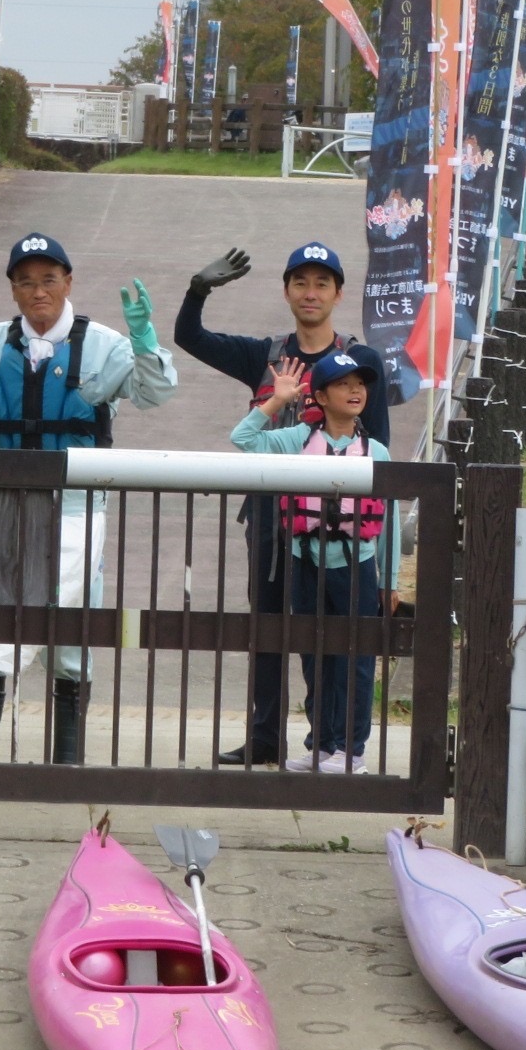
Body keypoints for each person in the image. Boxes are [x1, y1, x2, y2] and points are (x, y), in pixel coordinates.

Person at [0, 232, 178, 765]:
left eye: (49, 279)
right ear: (13, 291)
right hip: (0, 509)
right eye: (25, 282)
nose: (38, 291)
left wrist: (144, 338)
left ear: (68, 283)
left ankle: (65, 764)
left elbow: (155, 391)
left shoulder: (105, 345)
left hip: (76, 510)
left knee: (71, 635)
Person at [175, 242, 390, 767]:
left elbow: (379, 453)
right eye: (300, 283)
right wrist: (197, 290)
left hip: (338, 527)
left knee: (332, 631)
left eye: (321, 284)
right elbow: (189, 337)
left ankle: (332, 741)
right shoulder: (264, 355)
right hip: (273, 516)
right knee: (269, 624)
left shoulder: (360, 366)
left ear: (339, 293)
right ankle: (266, 735)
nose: (310, 293)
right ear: (287, 291)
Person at [230, 350, 396, 774]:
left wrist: (389, 579)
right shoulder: (296, 441)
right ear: (320, 396)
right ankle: (322, 745)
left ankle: (351, 750)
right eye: (343, 384)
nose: (355, 391)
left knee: (356, 659)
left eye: (360, 384)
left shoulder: (375, 449)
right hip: (305, 561)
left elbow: (390, 521)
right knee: (313, 653)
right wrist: (277, 400)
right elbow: (244, 440)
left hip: (357, 565)